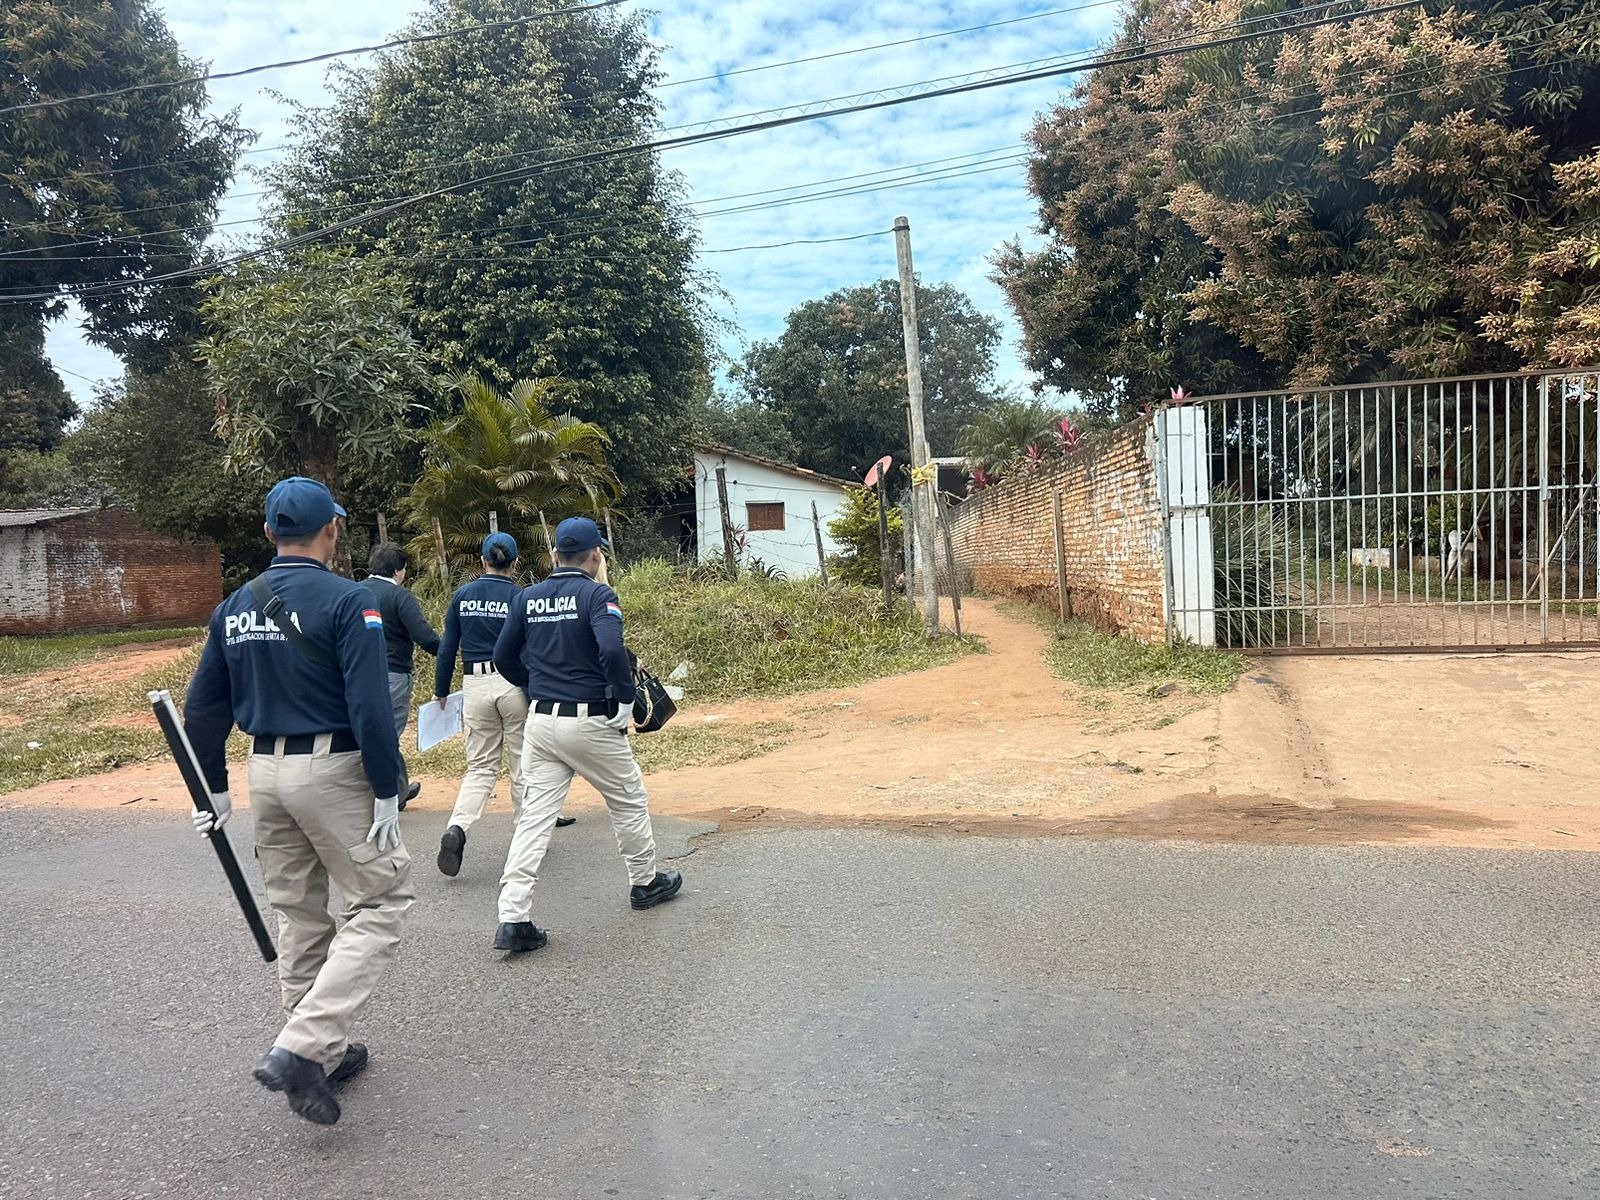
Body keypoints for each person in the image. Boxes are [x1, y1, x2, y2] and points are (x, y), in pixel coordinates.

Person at [184, 476, 414, 1127]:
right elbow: (371, 708)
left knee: (300, 915)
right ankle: (300, 1046)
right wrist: (388, 787)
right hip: (333, 769)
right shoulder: (350, 603)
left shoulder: (234, 606)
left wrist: (216, 787)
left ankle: (322, 1053)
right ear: (333, 530)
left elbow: (204, 708)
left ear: (267, 533)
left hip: (266, 773)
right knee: (383, 899)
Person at [489, 516, 681, 953]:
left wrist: (533, 686)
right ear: (597, 555)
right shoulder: (598, 595)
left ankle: (512, 915)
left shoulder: (527, 597)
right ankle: (645, 882)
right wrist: (624, 703)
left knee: (535, 816)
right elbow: (612, 649)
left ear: (555, 554)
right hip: (591, 720)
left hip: (541, 721)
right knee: (627, 798)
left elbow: (503, 656)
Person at [433, 532, 573, 880]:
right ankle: (525, 835)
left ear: (482, 561)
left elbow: (448, 647)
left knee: (480, 767)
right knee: (522, 762)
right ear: (514, 563)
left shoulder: (462, 595)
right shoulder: (520, 596)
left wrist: (440, 691)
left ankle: (458, 827)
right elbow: (531, 647)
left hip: (474, 685)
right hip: (512, 683)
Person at [363, 543, 440, 809]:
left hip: (357, 673)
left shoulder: (353, 592)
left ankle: (399, 789)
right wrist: (448, 650)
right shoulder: (399, 597)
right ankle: (387, 793)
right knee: (388, 735)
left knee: (365, 731)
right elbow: (424, 637)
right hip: (394, 673)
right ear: (398, 570)